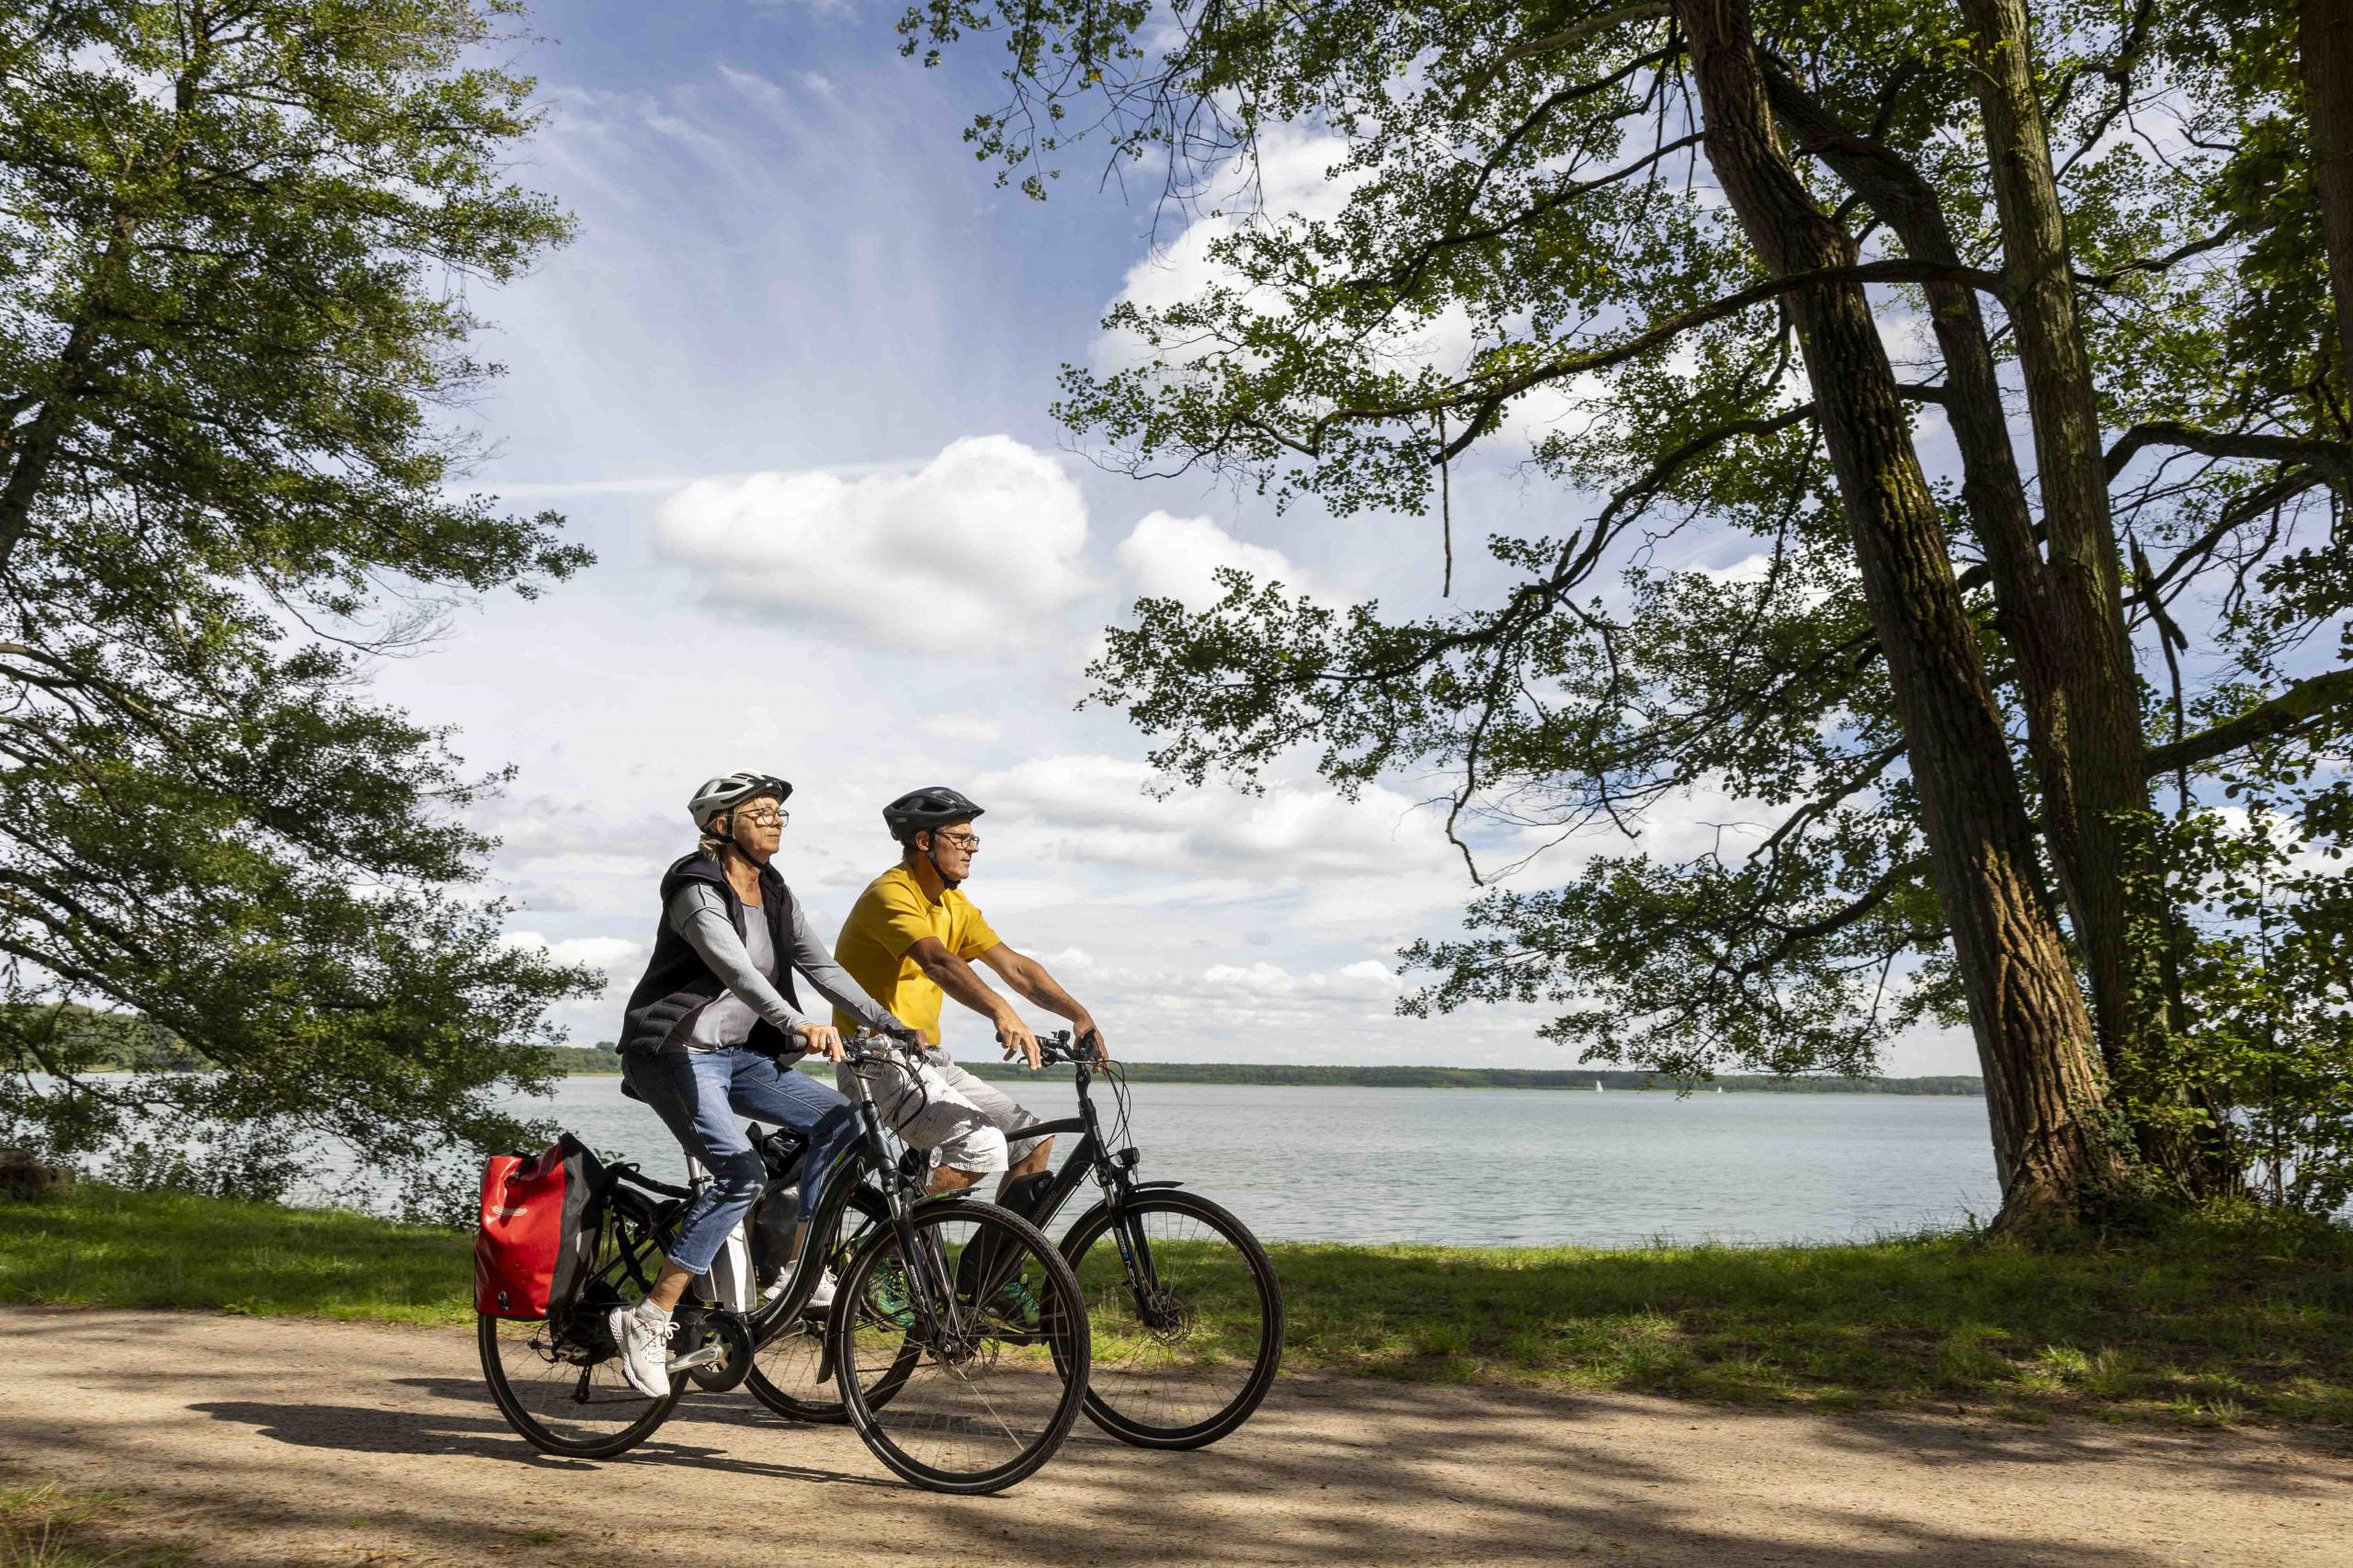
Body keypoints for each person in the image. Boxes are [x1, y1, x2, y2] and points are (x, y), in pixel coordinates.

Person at [608, 771, 916, 1399]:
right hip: (675, 1052)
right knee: (740, 1174)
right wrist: (797, 1023)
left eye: (779, 813)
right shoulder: (694, 884)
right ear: (721, 825)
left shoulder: (773, 889)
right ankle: (648, 1317)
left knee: (846, 1123)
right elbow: (736, 969)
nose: (776, 821)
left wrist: (888, 1023)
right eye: (760, 812)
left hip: (736, 1056)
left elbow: (820, 965)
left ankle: (789, 1263)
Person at [830, 786, 1108, 1206]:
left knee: (1031, 1141)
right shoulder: (890, 894)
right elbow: (936, 961)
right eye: (961, 839)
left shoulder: (953, 904)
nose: (972, 849)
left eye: (973, 839)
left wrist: (1078, 1014)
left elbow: (1015, 968)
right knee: (980, 1145)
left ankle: (988, 1271)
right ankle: (889, 1253)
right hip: (874, 1060)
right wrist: (1000, 1010)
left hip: (928, 1060)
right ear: (924, 842)